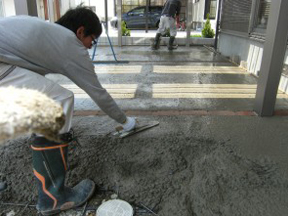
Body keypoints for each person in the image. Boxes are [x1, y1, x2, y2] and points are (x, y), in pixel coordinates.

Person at [0, 6, 136, 215]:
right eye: (92, 39)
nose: (90, 47)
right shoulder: (69, 43)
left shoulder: (48, 31)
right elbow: (98, 93)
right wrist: (126, 121)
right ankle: (53, 197)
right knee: (59, 100)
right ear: (80, 32)